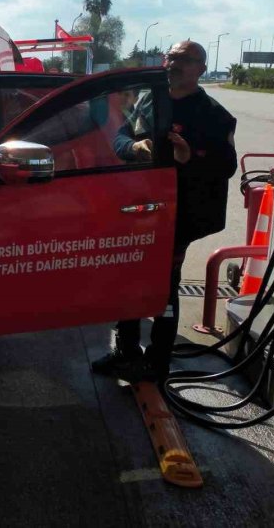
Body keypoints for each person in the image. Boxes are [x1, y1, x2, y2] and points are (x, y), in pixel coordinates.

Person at [91, 40, 238, 382]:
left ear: (201, 69)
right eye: (171, 57)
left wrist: (191, 157)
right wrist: (134, 147)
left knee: (164, 285)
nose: (174, 63)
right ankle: (125, 351)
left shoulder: (214, 115)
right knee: (129, 280)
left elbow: (227, 165)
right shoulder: (149, 101)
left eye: (185, 59)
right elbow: (119, 138)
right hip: (137, 212)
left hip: (178, 216)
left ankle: (157, 361)